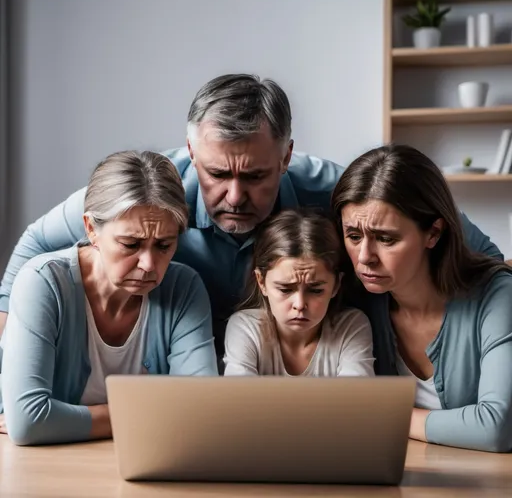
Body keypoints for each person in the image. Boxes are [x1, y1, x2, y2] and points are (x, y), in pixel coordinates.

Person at [0, 74, 504, 363]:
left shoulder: (335, 190)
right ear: (192, 152)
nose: (235, 195)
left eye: (257, 175)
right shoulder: (146, 193)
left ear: (286, 156)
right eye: (218, 173)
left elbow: (478, 251)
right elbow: (29, 251)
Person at [0, 151, 217, 446]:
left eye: (164, 245)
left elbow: (201, 411)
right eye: (131, 244)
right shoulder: (42, 282)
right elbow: (29, 422)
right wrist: (148, 413)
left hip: (146, 460)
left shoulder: (185, 288)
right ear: (91, 229)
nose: (149, 265)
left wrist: (67, 419)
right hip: (44, 465)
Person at [331, 143, 512, 453]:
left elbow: (497, 427)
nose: (364, 258)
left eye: (386, 238)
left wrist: (381, 415)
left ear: (434, 233)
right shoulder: (355, 299)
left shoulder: (498, 295)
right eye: (353, 236)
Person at [224, 209, 374, 377]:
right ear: (261, 282)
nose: (300, 305)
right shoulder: (246, 327)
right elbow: (239, 399)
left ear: (336, 285)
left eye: (316, 290)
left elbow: (357, 399)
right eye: (285, 289)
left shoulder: (350, 326)